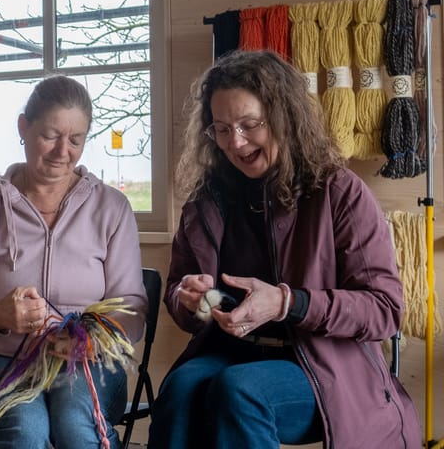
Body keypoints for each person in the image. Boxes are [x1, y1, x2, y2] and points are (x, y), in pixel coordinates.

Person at [148, 50, 421, 448]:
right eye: (221, 128)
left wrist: (286, 303)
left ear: (284, 117)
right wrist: (190, 300)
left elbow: (385, 310)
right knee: (179, 388)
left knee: (239, 390)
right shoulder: (206, 201)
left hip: (323, 364)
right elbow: (178, 291)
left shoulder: (339, 192)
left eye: (249, 124)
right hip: (230, 352)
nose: (235, 142)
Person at [0, 75, 147, 449]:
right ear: (23, 128)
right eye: (50, 135)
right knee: (24, 431)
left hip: (88, 365)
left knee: (75, 423)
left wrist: (88, 341)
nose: (62, 151)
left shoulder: (111, 208)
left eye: (76, 140)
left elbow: (132, 306)